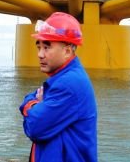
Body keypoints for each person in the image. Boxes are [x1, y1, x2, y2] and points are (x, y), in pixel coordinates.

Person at [19, 12, 98, 162]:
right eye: (39, 47)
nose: (40, 54)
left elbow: (34, 128)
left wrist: (33, 104)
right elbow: (30, 98)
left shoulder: (69, 84)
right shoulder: (62, 79)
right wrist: (36, 105)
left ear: (67, 51)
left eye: (47, 48)